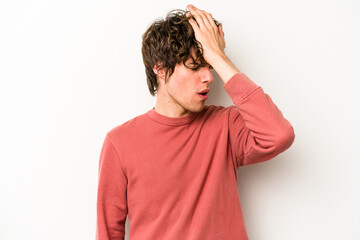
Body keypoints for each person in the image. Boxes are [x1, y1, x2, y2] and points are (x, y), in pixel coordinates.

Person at [96, 4, 295, 240]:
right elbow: (108, 233)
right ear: (160, 68)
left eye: (209, 65)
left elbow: (279, 135)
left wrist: (218, 55)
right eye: (195, 66)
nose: (209, 77)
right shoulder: (120, 142)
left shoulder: (226, 125)